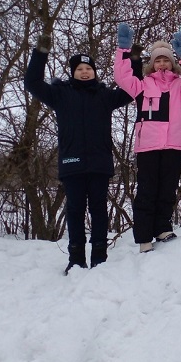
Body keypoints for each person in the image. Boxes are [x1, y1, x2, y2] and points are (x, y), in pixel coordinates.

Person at [24, 35, 132, 274]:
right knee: (74, 211)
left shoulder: (105, 96)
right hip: (72, 164)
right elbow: (32, 83)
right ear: (73, 72)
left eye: (89, 68)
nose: (84, 72)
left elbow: (132, 90)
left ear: (94, 72)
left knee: (98, 210)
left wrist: (132, 60)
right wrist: (40, 54)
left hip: (99, 164)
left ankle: (100, 258)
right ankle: (76, 259)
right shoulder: (60, 94)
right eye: (80, 69)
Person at [113, 25, 181, 253]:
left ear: (172, 63)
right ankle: (144, 237)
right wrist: (123, 49)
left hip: (175, 144)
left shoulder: (180, 86)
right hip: (148, 146)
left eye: (166, 60)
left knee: (167, 190)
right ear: (151, 64)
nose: (162, 64)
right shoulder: (142, 85)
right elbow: (122, 77)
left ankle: (162, 227)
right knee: (147, 191)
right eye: (158, 61)